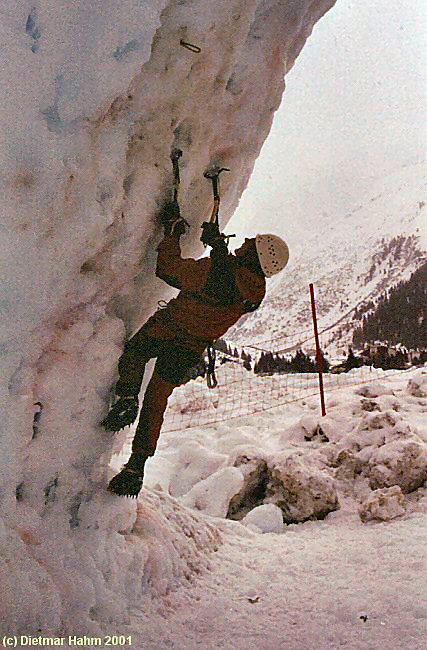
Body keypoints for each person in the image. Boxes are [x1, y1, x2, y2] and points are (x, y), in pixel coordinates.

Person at [102, 208, 289, 497]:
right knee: (157, 398)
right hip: (190, 350)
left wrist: (172, 233)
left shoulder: (215, 273)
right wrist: (220, 249)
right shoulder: (255, 291)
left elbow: (169, 269)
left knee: (135, 354)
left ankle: (127, 398)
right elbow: (230, 280)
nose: (248, 239)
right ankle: (136, 467)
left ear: (257, 255)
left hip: (167, 329)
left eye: (253, 242)